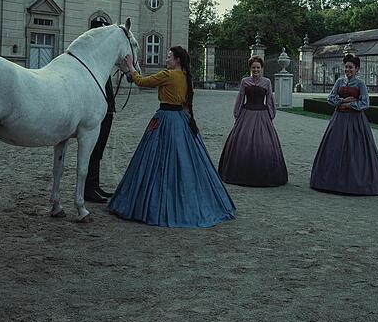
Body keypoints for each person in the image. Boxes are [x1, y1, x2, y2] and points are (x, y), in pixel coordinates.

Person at [107, 46, 236, 227]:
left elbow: (142, 82)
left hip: (166, 119)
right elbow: (186, 104)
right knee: (185, 158)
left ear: (177, 60)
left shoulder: (168, 75)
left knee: (157, 159)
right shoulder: (186, 77)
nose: (166, 60)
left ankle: (154, 202)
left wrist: (130, 65)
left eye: (169, 57)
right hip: (181, 120)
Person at [310, 53, 378, 196]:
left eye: (351, 67)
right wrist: (343, 101)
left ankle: (354, 182)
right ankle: (330, 181)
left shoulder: (360, 84)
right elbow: (330, 98)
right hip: (339, 120)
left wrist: (350, 105)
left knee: (355, 150)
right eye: (346, 67)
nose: (348, 70)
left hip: (355, 122)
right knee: (334, 148)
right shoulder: (339, 81)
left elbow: (365, 103)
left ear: (357, 69)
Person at [218, 56, 287, 187]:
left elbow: (270, 100)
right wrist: (237, 115)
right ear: (250, 68)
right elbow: (240, 98)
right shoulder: (245, 81)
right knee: (242, 141)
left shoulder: (266, 82)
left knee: (265, 143)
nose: (256, 70)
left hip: (262, 114)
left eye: (258, 67)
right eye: (253, 67)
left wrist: (271, 116)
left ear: (262, 69)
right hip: (246, 114)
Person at [83, 79, 115, 203]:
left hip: (108, 111)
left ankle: (95, 186)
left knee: (99, 151)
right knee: (95, 150)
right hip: (101, 113)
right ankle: (89, 189)